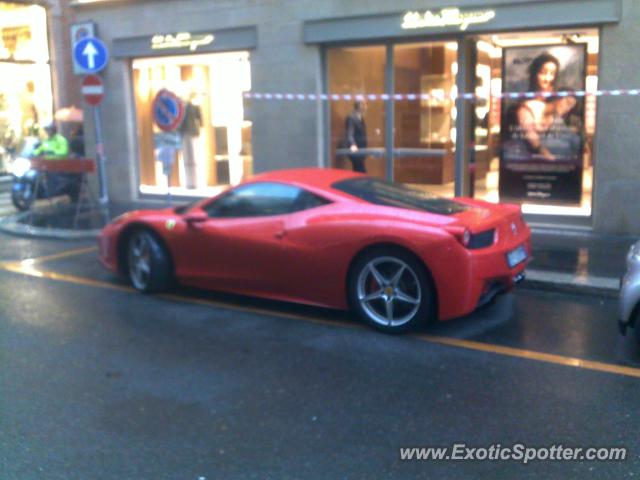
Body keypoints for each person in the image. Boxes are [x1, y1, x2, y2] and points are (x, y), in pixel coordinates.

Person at [510, 53, 580, 162]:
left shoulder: (561, 96)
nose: (547, 78)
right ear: (534, 73)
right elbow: (532, 138)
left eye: (552, 74)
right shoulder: (526, 105)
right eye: (543, 73)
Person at [344, 101, 367, 173]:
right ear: (360, 105)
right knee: (361, 172)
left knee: (359, 172)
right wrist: (353, 145)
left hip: (361, 150)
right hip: (356, 150)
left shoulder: (360, 118)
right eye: (364, 104)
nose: (366, 106)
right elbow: (350, 133)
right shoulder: (352, 117)